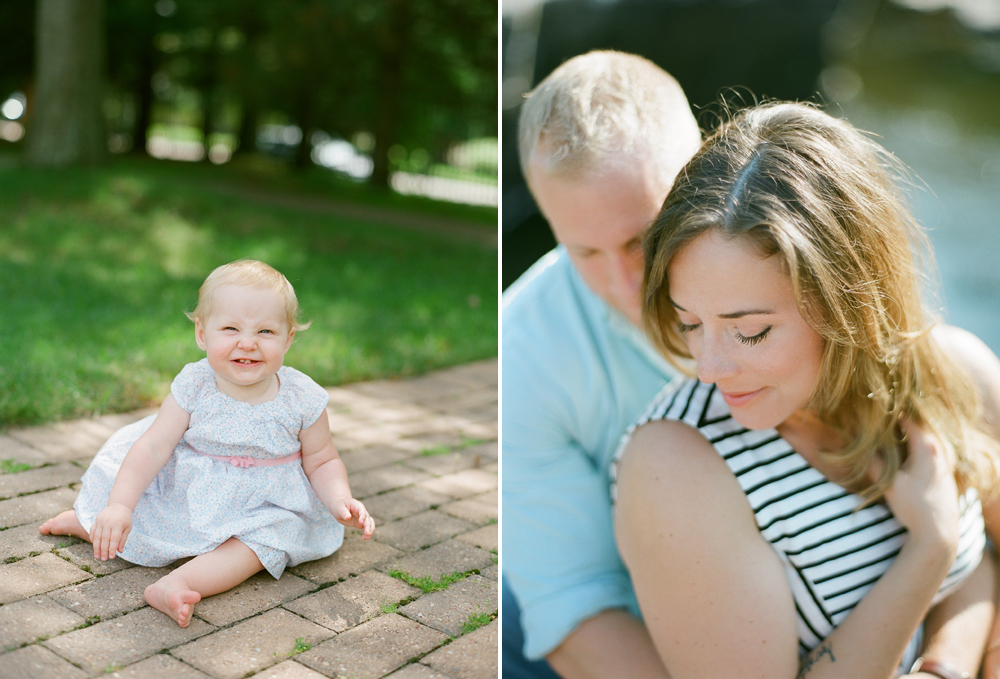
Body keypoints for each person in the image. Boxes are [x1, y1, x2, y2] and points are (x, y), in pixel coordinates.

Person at [612, 101, 1000, 678]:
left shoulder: (953, 371)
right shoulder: (676, 466)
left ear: (847, 301)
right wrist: (929, 549)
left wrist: (947, 665)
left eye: (750, 331)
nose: (709, 366)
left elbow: (989, 562)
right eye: (690, 322)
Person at [503, 50, 701, 678]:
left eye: (642, 238)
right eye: (583, 250)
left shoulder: (792, 255)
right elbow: (575, 602)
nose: (622, 282)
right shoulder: (524, 352)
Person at [39, 259, 375, 628]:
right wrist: (119, 505)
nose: (247, 342)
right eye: (230, 328)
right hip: (192, 495)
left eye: (265, 331)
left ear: (288, 338)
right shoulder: (195, 385)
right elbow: (153, 447)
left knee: (262, 545)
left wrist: (340, 499)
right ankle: (89, 523)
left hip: (265, 505)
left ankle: (178, 584)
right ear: (202, 333)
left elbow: (322, 460)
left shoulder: (302, 397)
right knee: (144, 521)